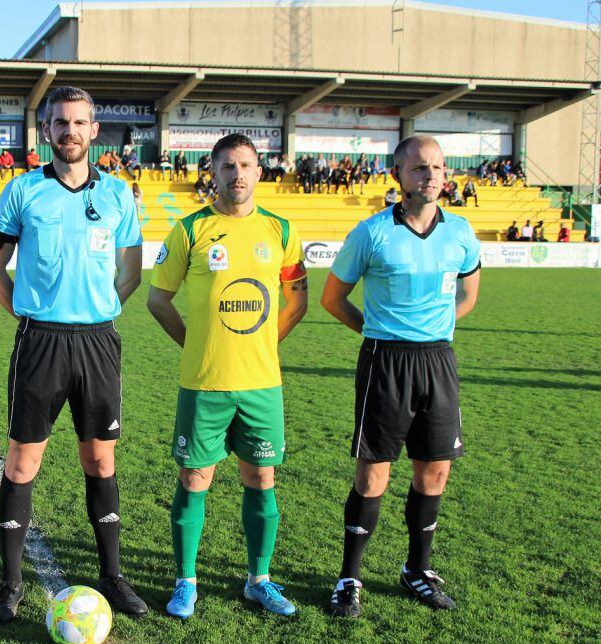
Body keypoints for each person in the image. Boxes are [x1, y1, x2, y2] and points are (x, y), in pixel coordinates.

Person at [0, 86, 147, 623]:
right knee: (23, 460)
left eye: (79, 122)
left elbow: (132, 272)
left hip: (98, 341)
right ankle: (9, 584)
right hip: (40, 342)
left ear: (94, 131)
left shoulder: (120, 196)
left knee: (101, 459)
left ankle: (113, 577)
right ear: (46, 131)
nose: (69, 131)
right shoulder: (22, 192)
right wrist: (29, 316)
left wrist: (97, 310)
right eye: (59, 122)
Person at [148, 133, 308, 619]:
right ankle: (186, 581)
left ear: (259, 172)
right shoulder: (190, 230)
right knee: (195, 477)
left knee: (261, 477)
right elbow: (158, 299)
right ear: (212, 174)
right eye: (226, 167)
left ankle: (258, 580)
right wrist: (194, 342)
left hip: (261, 384)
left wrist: (261, 345)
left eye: (245, 165)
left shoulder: (281, 230)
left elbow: (296, 301)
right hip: (204, 382)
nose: (237, 174)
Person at [320, 135, 481, 619]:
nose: (429, 176)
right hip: (385, 361)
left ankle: (418, 569)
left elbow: (468, 294)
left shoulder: (461, 232)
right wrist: (379, 332)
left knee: (435, 469)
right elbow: (333, 298)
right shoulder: (372, 233)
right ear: (398, 176)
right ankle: (349, 577)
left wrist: (435, 329)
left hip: (439, 361)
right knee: (373, 474)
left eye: (436, 168)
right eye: (418, 168)